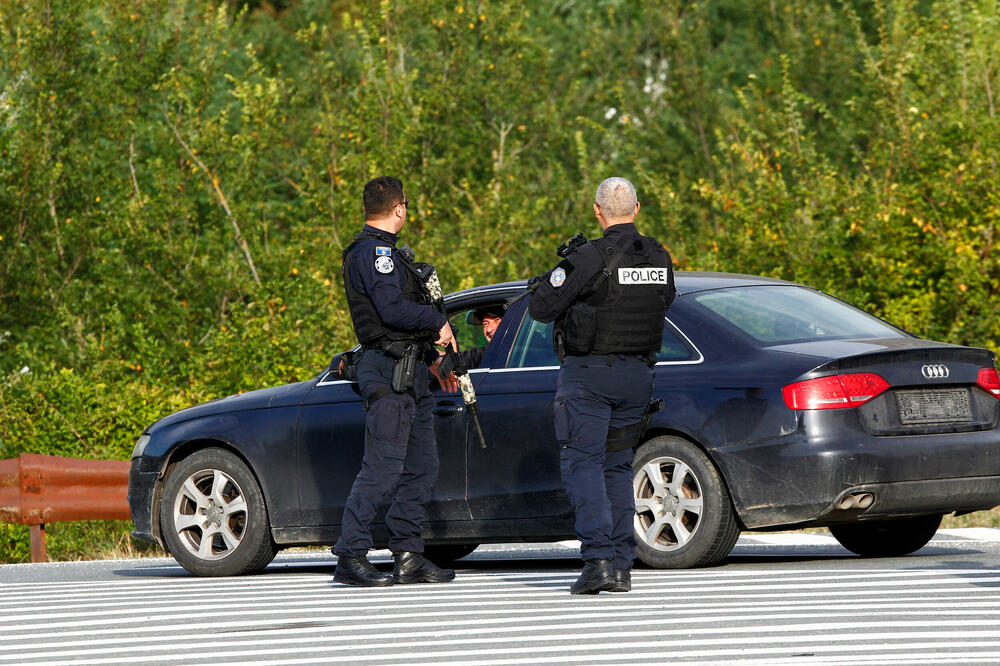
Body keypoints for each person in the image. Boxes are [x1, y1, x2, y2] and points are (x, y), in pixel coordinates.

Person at [527, 177, 675, 594]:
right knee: (617, 467)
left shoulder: (588, 257)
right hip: (637, 376)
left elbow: (540, 308)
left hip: (590, 376)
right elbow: (666, 302)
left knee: (583, 465)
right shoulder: (660, 256)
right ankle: (622, 565)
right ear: (637, 208)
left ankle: (598, 561)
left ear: (597, 210)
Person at [334, 176, 458, 587]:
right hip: (387, 368)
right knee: (383, 468)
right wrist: (436, 321)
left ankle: (408, 553)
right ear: (400, 208)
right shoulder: (375, 254)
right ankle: (350, 554)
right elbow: (390, 310)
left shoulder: (390, 254)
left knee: (422, 465)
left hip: (412, 369)